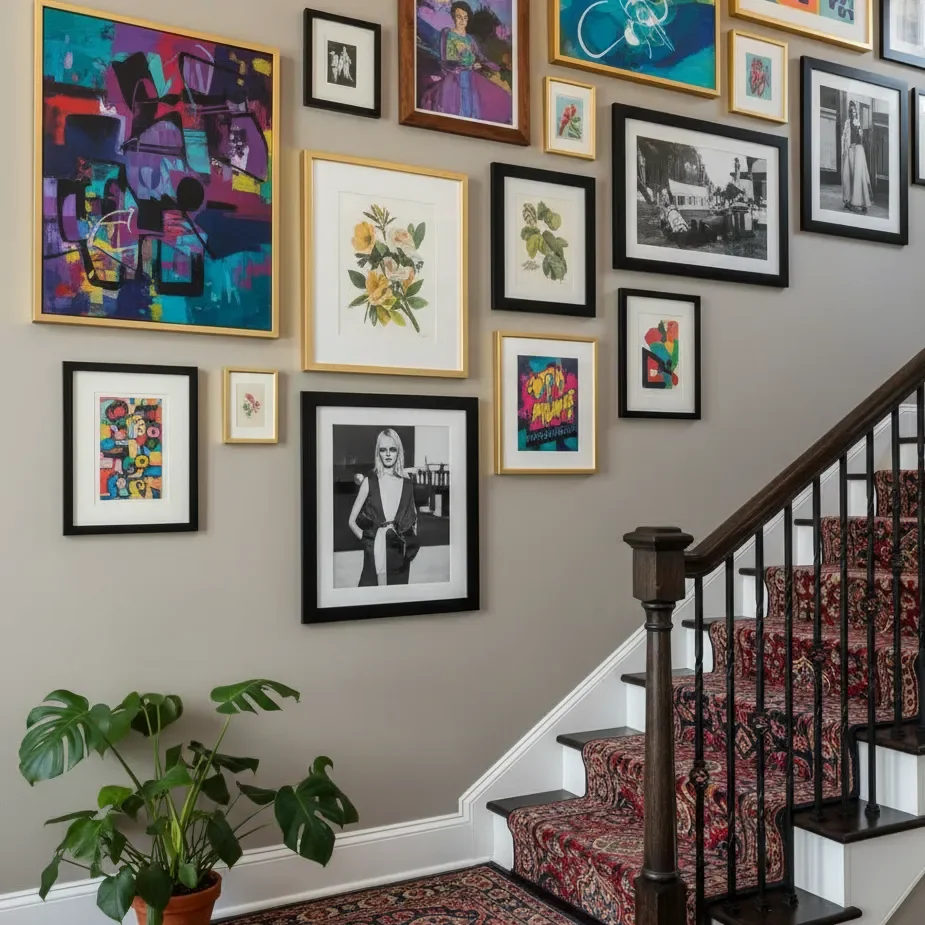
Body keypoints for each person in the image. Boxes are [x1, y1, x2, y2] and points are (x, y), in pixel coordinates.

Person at [347, 429, 420, 587]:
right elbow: (351, 521)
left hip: (399, 556)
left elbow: (414, 520)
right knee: (369, 602)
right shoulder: (370, 482)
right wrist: (368, 542)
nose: (388, 454)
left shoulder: (407, 484)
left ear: (398, 452)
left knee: (396, 603)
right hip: (373, 554)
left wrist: (409, 549)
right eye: (383, 450)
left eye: (392, 449)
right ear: (378, 453)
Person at [419, 1, 511, 124]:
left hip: (472, 76)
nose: (462, 20)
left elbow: (480, 57)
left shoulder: (470, 39)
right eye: (459, 17)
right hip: (456, 77)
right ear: (453, 17)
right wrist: (468, 65)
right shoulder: (448, 34)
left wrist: (484, 64)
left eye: (465, 17)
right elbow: (447, 60)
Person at [841, 100, 872, 214]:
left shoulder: (858, 122)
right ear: (850, 111)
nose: (853, 112)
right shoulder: (847, 123)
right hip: (850, 151)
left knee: (859, 175)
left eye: (854, 110)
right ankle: (847, 201)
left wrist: (860, 132)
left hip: (859, 150)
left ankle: (863, 203)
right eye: (851, 110)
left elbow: (861, 139)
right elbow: (844, 137)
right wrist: (845, 150)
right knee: (848, 175)